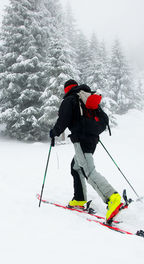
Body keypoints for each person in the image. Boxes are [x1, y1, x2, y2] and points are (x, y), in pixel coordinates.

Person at [49, 79, 123, 223]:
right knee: (76, 167)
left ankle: (112, 198)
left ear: (66, 90)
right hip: (92, 138)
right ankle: (79, 198)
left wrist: (54, 132)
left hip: (81, 139)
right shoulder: (85, 97)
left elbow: (63, 120)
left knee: (88, 170)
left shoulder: (69, 100)